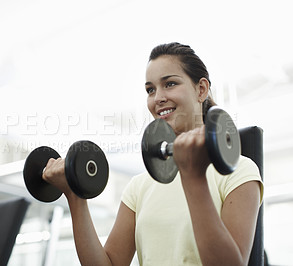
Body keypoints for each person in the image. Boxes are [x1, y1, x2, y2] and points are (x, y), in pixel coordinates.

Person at [42, 42, 264, 265]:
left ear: (201, 89)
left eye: (170, 84)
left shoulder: (241, 172)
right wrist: (75, 197)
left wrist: (193, 176)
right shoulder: (139, 187)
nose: (158, 97)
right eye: (150, 89)